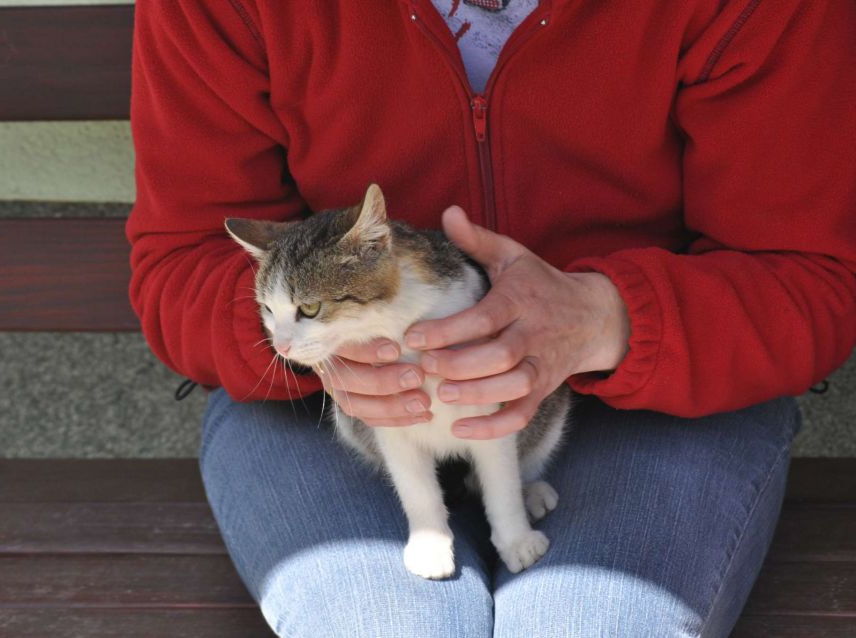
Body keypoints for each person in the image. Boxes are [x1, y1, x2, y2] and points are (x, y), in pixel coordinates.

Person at [126, 1, 856, 636]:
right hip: (323, 415)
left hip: (660, 398)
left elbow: (805, 276)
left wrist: (608, 319)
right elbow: (180, 261)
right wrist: (319, 346)